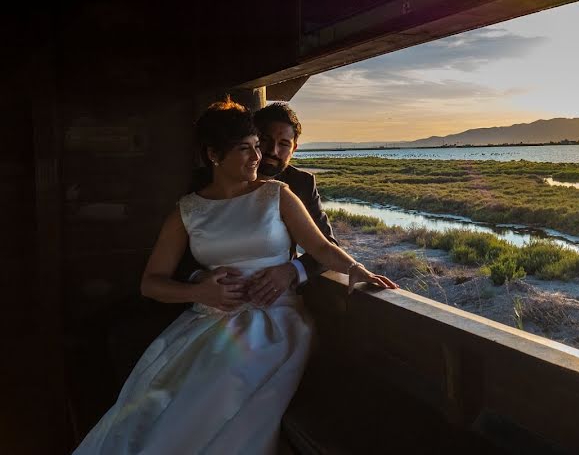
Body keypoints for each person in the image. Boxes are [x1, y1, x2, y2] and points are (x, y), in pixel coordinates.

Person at [74, 98, 398, 454]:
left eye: (257, 147)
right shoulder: (188, 210)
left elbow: (321, 247)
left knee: (224, 380)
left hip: (276, 319)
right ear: (214, 154)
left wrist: (357, 269)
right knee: (164, 395)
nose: (258, 157)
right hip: (210, 320)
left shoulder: (278, 194)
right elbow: (151, 283)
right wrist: (200, 292)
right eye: (246, 148)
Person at [183, 102, 336, 307]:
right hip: (216, 306)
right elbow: (181, 256)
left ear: (294, 149)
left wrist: (291, 270)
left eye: (284, 144)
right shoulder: (205, 182)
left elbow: (327, 246)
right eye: (265, 140)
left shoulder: (300, 183)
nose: (272, 151)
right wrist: (202, 281)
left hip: (276, 304)